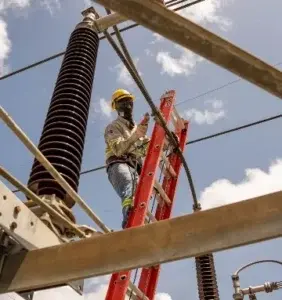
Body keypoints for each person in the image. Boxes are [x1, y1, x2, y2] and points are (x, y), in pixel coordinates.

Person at [104, 89, 150, 229]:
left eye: (129, 102)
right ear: (116, 107)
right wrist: (136, 135)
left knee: (141, 197)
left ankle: (141, 223)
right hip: (119, 164)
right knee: (129, 187)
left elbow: (146, 149)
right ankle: (129, 220)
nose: (128, 106)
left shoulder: (137, 128)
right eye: (123, 103)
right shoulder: (113, 127)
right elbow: (118, 150)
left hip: (135, 167)